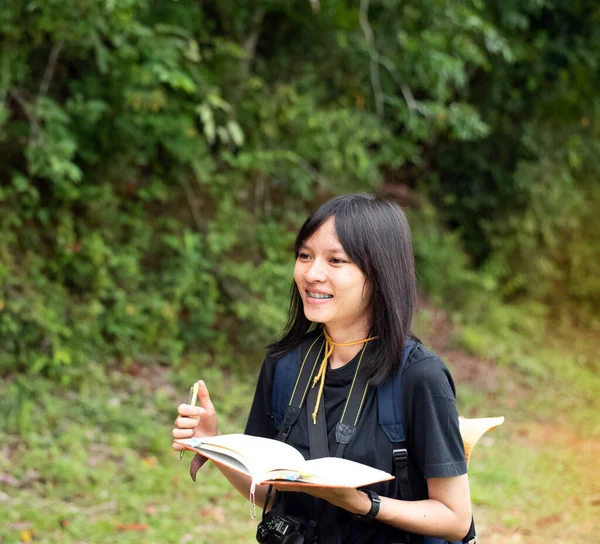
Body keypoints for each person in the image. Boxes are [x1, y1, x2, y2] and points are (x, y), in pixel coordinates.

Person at [172, 193, 472, 543]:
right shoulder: (285, 365)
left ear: (380, 273)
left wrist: (364, 504)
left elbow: (455, 519)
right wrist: (214, 443)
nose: (312, 273)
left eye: (336, 260)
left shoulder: (419, 377)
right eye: (304, 255)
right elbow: (270, 498)